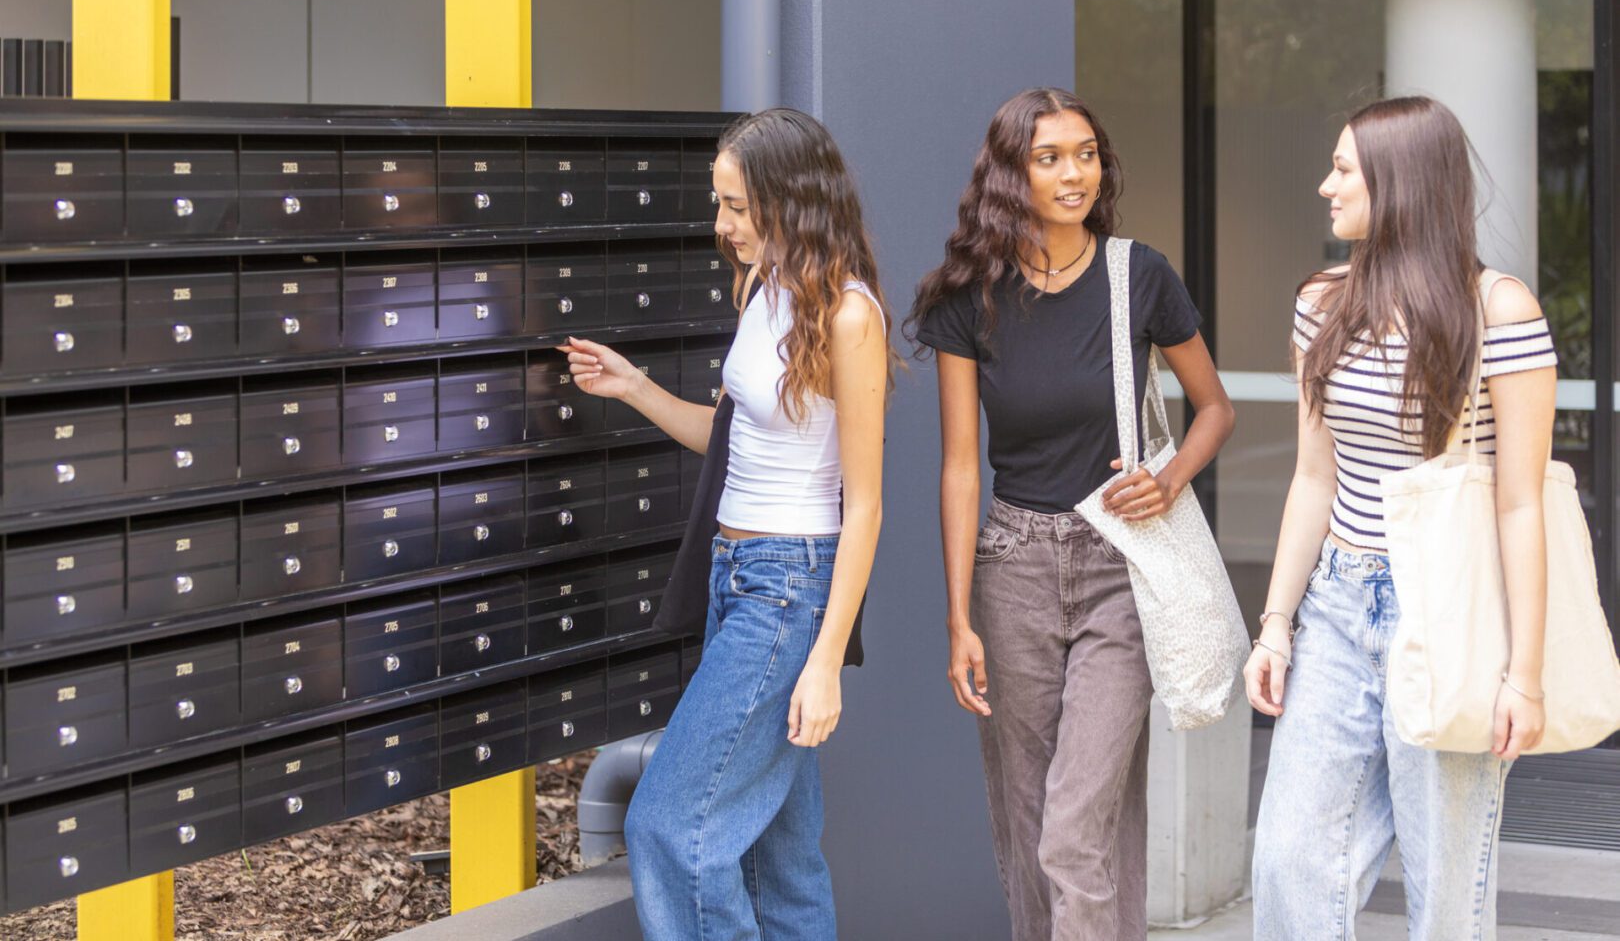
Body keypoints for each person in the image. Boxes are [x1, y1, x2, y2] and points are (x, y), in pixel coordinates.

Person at [908, 87, 1234, 940]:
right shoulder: (966, 298)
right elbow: (957, 469)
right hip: (1011, 568)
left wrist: (1168, 480)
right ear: (1009, 174)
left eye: (1086, 153)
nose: (1075, 172)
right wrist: (957, 617)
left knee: (1077, 827)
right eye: (1050, 157)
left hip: (1117, 566)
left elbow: (1215, 410)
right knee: (1027, 819)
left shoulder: (1139, 276)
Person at [562, 107, 895, 941]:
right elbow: (728, 441)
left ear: (793, 198)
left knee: (671, 828)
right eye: (720, 204)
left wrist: (826, 661)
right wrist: (634, 386)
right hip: (734, 578)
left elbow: (866, 505)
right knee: (776, 853)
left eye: (738, 206)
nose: (723, 226)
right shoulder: (766, 291)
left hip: (789, 592)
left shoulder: (850, 316)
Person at [1246, 95, 1556, 939]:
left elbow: (1522, 502)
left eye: (1343, 169)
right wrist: (1276, 625)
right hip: (1340, 605)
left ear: (1402, 182)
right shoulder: (1322, 303)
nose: (1324, 186)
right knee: (1286, 862)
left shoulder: (1499, 311)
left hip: (1451, 614)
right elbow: (1315, 477)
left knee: (1447, 893)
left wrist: (1523, 676)